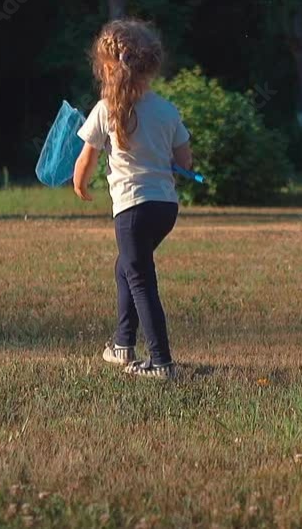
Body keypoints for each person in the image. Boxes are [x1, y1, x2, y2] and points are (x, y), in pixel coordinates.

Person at [73, 19, 193, 380]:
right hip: (165, 208)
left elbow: (86, 159)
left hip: (131, 209)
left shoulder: (105, 109)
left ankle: (161, 363)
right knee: (126, 266)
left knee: (140, 278)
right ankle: (123, 344)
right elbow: (185, 161)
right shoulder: (167, 110)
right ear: (150, 66)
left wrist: (80, 185)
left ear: (107, 67)